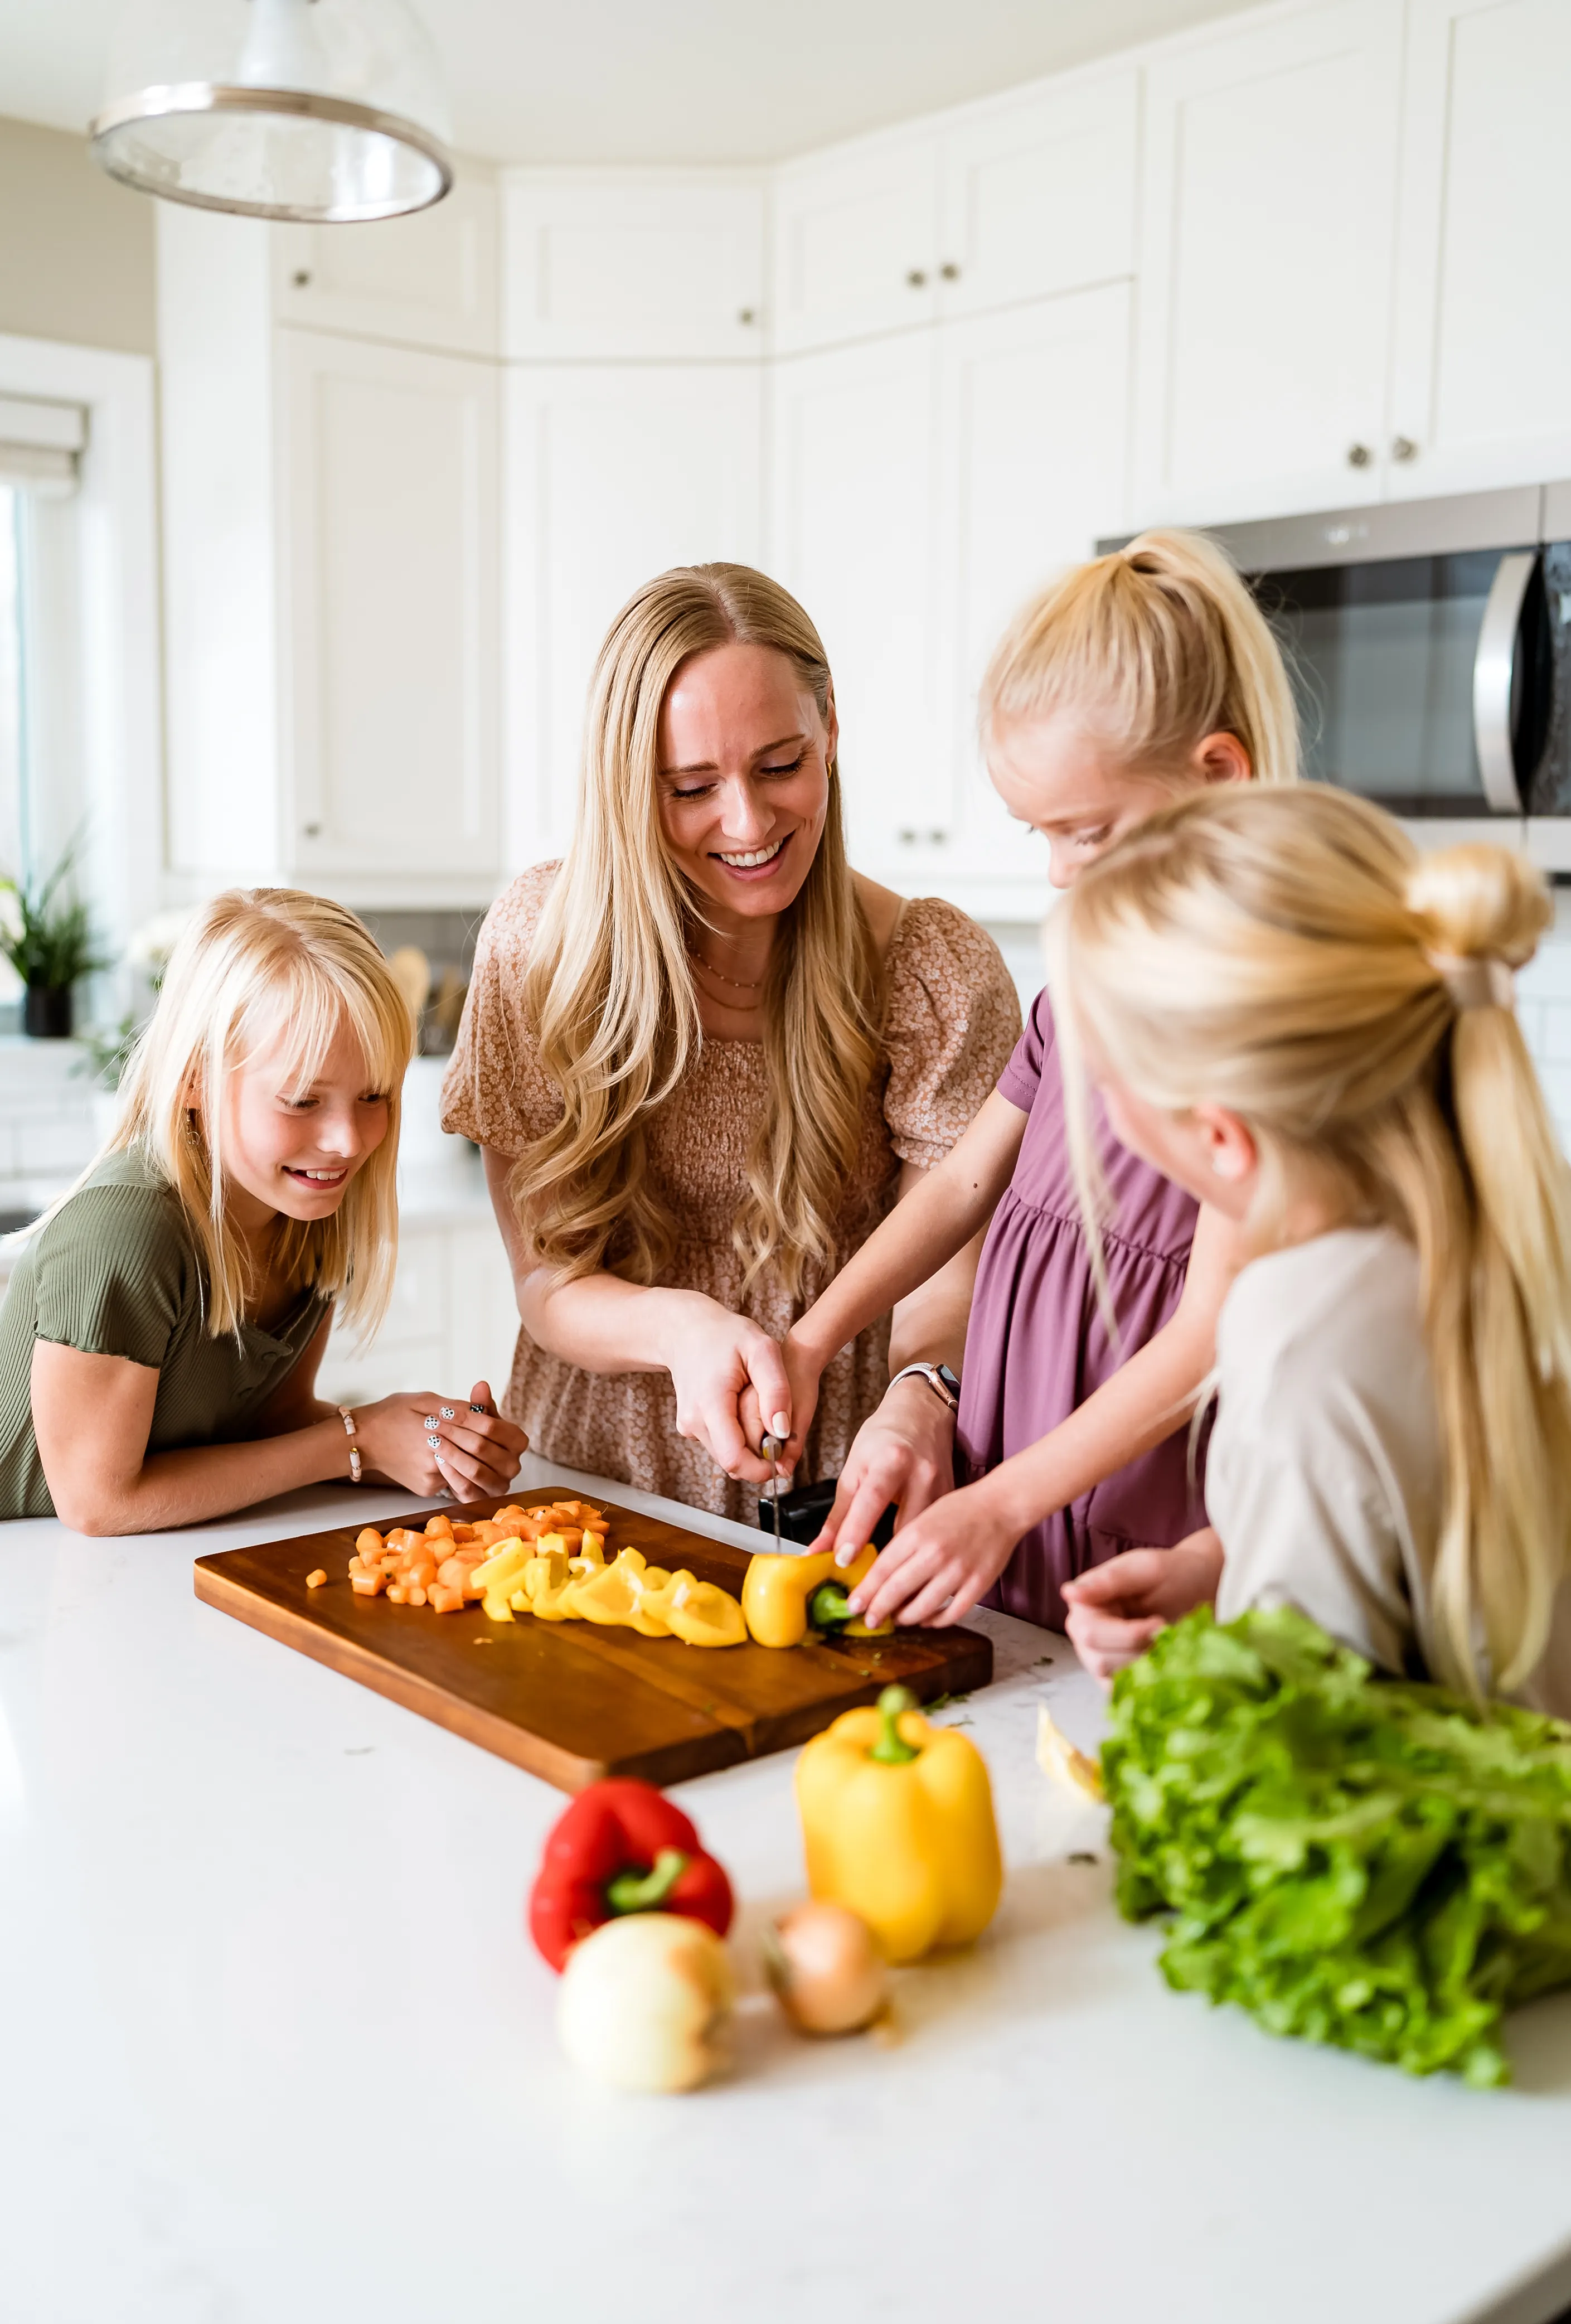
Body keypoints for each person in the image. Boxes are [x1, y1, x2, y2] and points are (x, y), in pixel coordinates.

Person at [772, 529, 1298, 1630]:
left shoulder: (1265, 1024)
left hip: (1135, 1506)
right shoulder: (1081, 998)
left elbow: (1207, 1331)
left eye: (1086, 830)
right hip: (1014, 1500)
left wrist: (1005, 1500)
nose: (1057, 869)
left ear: (1218, 775)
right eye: (1038, 834)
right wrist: (814, 1336)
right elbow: (964, 1186)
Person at [440, 562, 1019, 1524]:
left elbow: (952, 1265)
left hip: (840, 1481)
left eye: (781, 764)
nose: (748, 822)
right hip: (592, 1480)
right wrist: (681, 1326)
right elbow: (548, 1283)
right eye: (691, 786)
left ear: (830, 728)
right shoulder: (544, 950)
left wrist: (924, 1389)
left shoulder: (929, 970)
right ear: (628, 783)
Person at [1054, 783, 1571, 1715]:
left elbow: (1315, 1752)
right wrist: (1226, 1562)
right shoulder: (1521, 1208)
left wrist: (1217, 1674)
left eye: (1107, 1079)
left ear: (1220, 1137)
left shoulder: (1293, 1334)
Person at [0, 890, 528, 1531]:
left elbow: (273, 1426)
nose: (349, 1140)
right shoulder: (126, 1231)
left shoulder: (315, 1210)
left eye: (373, 1094)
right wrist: (354, 1440)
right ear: (196, 1080)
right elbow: (100, 1501)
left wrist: (424, 1441)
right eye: (303, 1100)